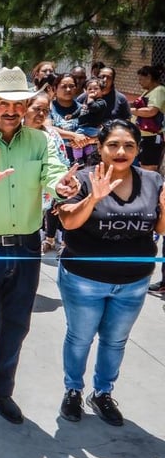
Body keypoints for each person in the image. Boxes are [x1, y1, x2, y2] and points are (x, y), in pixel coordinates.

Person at [0, 67, 78, 424]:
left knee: (16, 324)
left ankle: (2, 389)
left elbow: (54, 173)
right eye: (3, 104)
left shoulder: (40, 142)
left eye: (18, 104)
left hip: (25, 247)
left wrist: (62, 187)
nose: (11, 111)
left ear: (25, 107)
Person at [56, 120, 164, 426]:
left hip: (133, 282)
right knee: (80, 338)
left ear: (138, 149)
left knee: (115, 341)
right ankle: (73, 391)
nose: (121, 151)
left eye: (129, 145)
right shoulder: (84, 178)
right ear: (100, 148)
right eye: (113, 145)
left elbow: (159, 228)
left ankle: (102, 393)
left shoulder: (153, 180)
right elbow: (68, 223)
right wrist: (93, 199)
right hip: (84, 279)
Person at [22, 93, 69, 255]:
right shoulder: (12, 132)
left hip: (40, 200)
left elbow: (62, 166)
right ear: (24, 108)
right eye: (36, 109)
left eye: (46, 111)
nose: (41, 114)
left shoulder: (53, 136)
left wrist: (60, 197)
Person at [131, 65, 165, 171]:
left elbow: (151, 111)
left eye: (141, 79)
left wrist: (131, 111)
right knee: (142, 167)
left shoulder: (159, 90)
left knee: (149, 170)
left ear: (149, 77)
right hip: (144, 136)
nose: (139, 82)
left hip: (152, 137)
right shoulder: (148, 91)